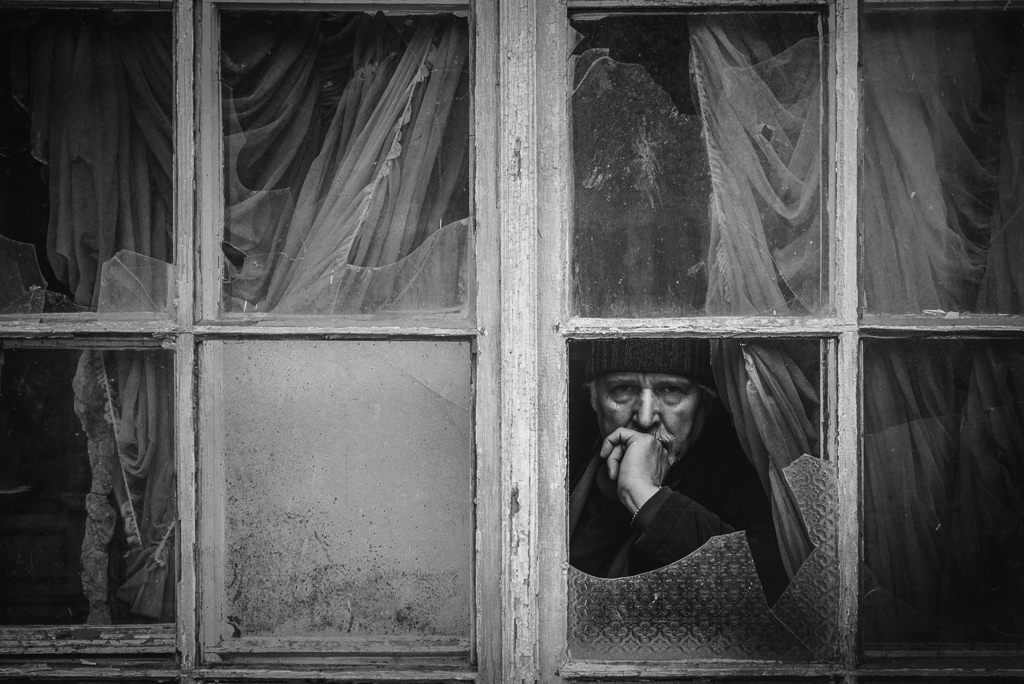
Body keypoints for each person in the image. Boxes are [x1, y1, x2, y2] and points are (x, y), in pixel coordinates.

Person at [568, 338, 790, 606]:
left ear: (706, 401)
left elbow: (777, 598)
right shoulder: (559, 459)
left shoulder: (744, 476)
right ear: (593, 398)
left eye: (670, 390)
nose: (645, 418)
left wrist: (647, 498)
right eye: (623, 389)